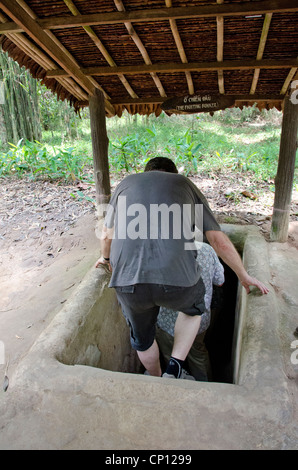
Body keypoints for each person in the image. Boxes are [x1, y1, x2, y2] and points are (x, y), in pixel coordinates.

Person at [95, 157, 269, 379]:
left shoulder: (125, 184)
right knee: (193, 310)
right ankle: (175, 366)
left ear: (146, 172)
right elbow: (217, 240)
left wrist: (106, 258)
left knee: (143, 339)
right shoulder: (183, 184)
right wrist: (243, 275)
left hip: (128, 281)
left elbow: (106, 235)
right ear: (174, 173)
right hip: (179, 282)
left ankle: (156, 377)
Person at [156, 241, 225, 381]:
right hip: (197, 320)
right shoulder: (207, 250)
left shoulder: (158, 252)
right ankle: (204, 385)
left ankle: (172, 383)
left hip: (166, 321)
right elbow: (220, 281)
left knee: (170, 355)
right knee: (198, 354)